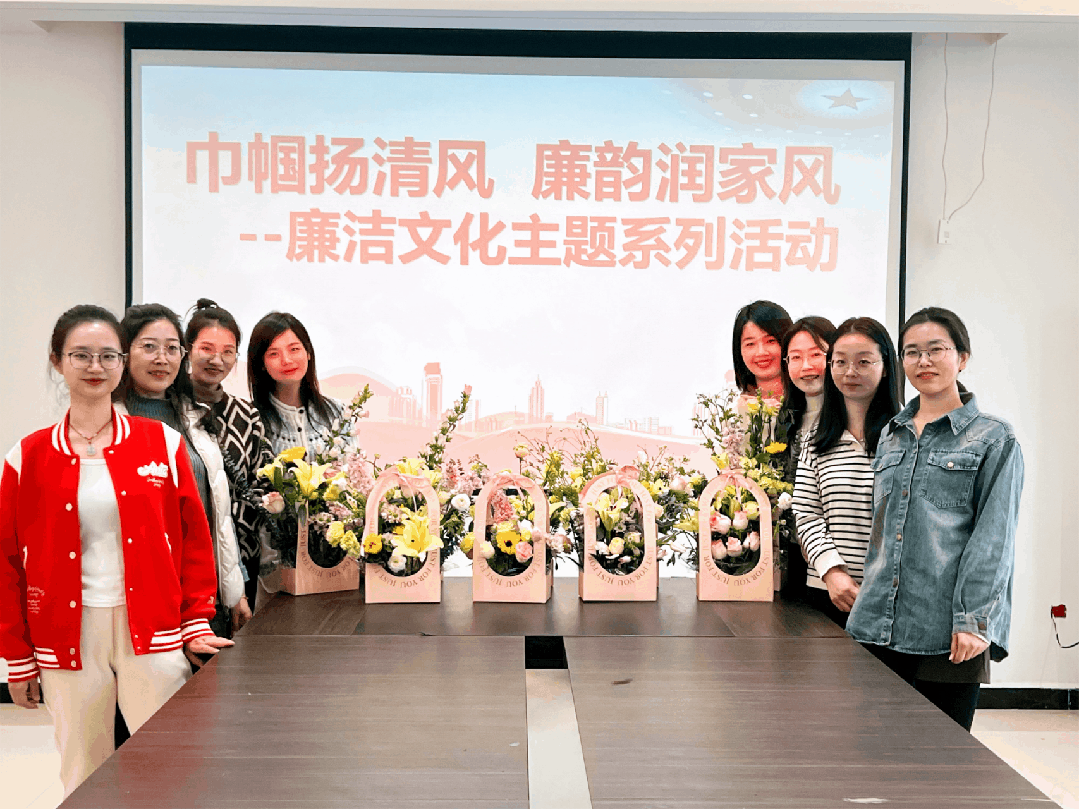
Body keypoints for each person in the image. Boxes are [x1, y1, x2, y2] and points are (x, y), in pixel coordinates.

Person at [0, 305, 232, 796]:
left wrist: (196, 619)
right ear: (57, 361)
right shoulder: (28, 456)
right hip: (67, 635)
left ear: (122, 363)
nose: (95, 366)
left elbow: (193, 540)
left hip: (153, 628)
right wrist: (17, 656)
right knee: (83, 770)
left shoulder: (161, 443)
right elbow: (7, 562)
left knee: (167, 767)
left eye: (108, 355)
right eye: (80, 355)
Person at [847, 307, 1024, 731]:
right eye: (912, 352)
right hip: (877, 624)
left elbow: (994, 539)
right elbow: (881, 534)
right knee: (874, 750)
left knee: (940, 756)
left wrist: (973, 621)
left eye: (935, 350)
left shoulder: (994, 437)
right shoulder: (891, 434)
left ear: (962, 357)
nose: (923, 361)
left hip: (947, 630)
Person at [117, 303, 249, 638]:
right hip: (135, 602)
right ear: (124, 353)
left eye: (172, 348)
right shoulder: (110, 423)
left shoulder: (195, 417)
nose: (162, 358)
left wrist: (234, 591)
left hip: (202, 600)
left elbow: (217, 514)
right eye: (149, 347)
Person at [792, 317, 900, 627]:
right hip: (827, 594)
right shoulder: (817, 439)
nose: (850, 372)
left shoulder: (908, 437)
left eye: (863, 362)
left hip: (891, 601)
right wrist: (832, 572)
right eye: (840, 362)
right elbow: (806, 513)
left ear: (886, 366)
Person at [246, 312, 349, 599]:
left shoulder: (337, 413)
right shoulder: (251, 419)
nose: (287, 360)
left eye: (294, 349)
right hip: (277, 565)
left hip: (336, 557)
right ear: (261, 363)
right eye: (273, 353)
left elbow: (350, 480)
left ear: (308, 353)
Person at [184, 299, 272, 610]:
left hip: (241, 561)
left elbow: (263, 483)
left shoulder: (246, 414)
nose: (217, 360)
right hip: (186, 560)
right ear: (188, 349)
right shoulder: (171, 409)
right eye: (206, 349)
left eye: (228, 352)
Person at [780, 315, 836, 599]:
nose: (806, 366)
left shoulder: (855, 416)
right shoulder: (786, 418)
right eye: (795, 357)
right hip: (794, 556)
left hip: (839, 560)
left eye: (817, 355)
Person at [731, 300, 794, 398]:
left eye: (770, 341)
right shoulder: (737, 405)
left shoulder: (815, 399)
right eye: (750, 344)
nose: (761, 352)